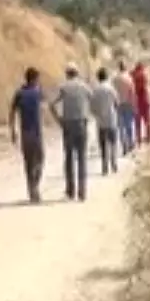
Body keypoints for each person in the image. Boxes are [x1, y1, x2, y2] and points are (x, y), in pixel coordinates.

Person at [48, 62, 93, 201]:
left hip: (68, 124)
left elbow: (51, 104)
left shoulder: (63, 87)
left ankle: (70, 190)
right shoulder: (84, 87)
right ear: (77, 73)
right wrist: (87, 113)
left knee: (69, 158)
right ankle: (82, 191)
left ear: (67, 73)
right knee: (81, 158)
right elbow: (92, 99)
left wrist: (58, 120)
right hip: (81, 123)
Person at [8, 66, 45, 203]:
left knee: (30, 162)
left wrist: (13, 130)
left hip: (25, 132)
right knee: (39, 159)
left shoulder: (19, 93)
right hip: (35, 132)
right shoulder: (37, 92)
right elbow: (44, 107)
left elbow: (11, 113)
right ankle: (34, 187)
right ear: (34, 79)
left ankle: (32, 189)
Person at [91, 67, 120, 176]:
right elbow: (117, 102)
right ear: (107, 76)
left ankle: (104, 167)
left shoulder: (95, 90)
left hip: (101, 121)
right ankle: (114, 163)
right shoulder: (111, 89)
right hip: (111, 119)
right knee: (113, 143)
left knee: (103, 145)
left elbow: (92, 107)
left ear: (98, 77)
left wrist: (97, 114)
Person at [113, 60, 136, 155]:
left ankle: (124, 146)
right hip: (128, 103)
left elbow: (113, 92)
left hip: (118, 104)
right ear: (125, 67)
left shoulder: (115, 79)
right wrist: (134, 104)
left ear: (119, 67)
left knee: (121, 126)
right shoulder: (129, 78)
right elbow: (132, 92)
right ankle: (130, 143)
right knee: (129, 125)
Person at [131, 61, 150, 144]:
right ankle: (149, 138)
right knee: (148, 120)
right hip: (145, 99)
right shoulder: (143, 75)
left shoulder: (133, 75)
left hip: (136, 100)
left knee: (137, 121)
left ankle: (139, 139)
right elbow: (145, 86)